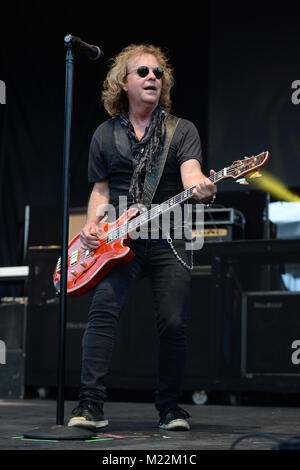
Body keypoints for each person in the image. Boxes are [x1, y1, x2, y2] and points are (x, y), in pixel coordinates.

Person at [68, 44, 216, 431]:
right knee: (102, 314)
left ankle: (170, 408)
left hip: (170, 234)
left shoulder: (181, 130)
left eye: (158, 73)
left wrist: (201, 186)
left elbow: (191, 173)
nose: (153, 77)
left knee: (173, 322)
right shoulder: (104, 134)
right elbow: (101, 189)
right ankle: (90, 406)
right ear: (124, 82)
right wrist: (91, 225)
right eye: (144, 72)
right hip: (118, 240)